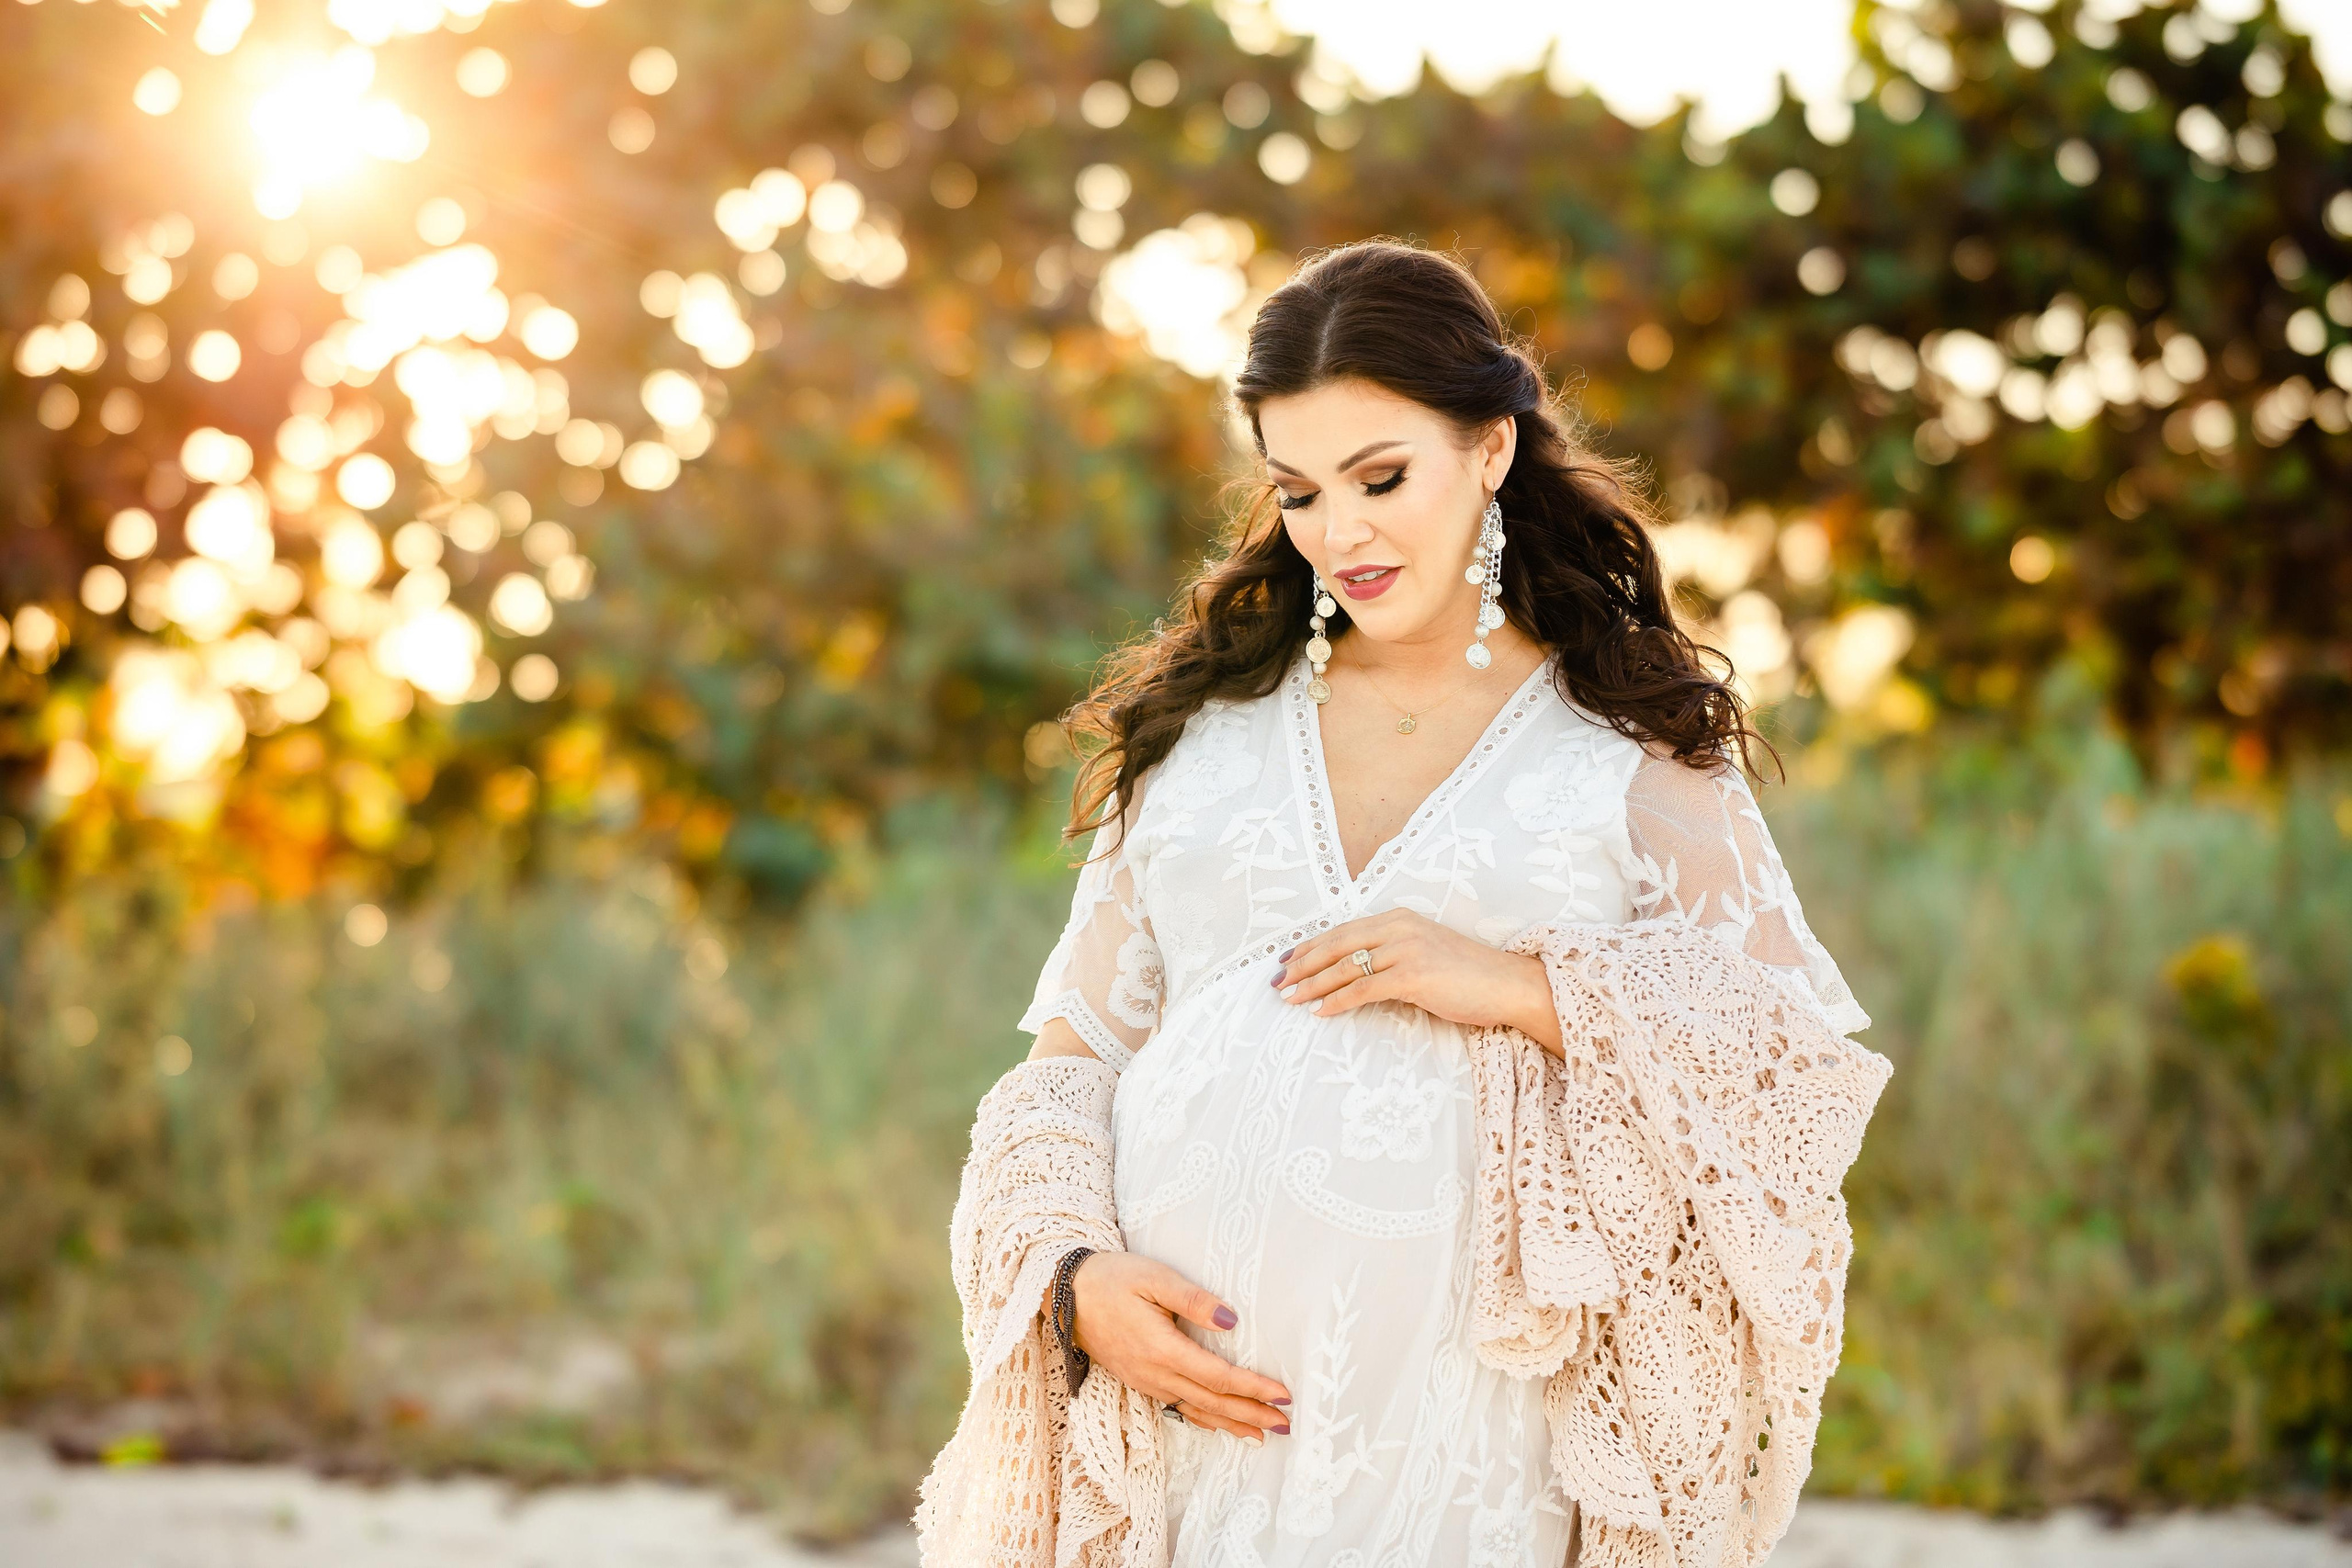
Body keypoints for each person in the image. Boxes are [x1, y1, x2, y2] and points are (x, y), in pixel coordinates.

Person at [1005, 238, 1872, 1564]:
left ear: (1491, 450)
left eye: (1380, 477)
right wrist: (1071, 1280)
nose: (1337, 532)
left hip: (1472, 1452)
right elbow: (1069, 1065)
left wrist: (1522, 989)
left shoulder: (1623, 752)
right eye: (1298, 490)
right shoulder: (1204, 735)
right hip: (1195, 1438)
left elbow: (1788, 1080)